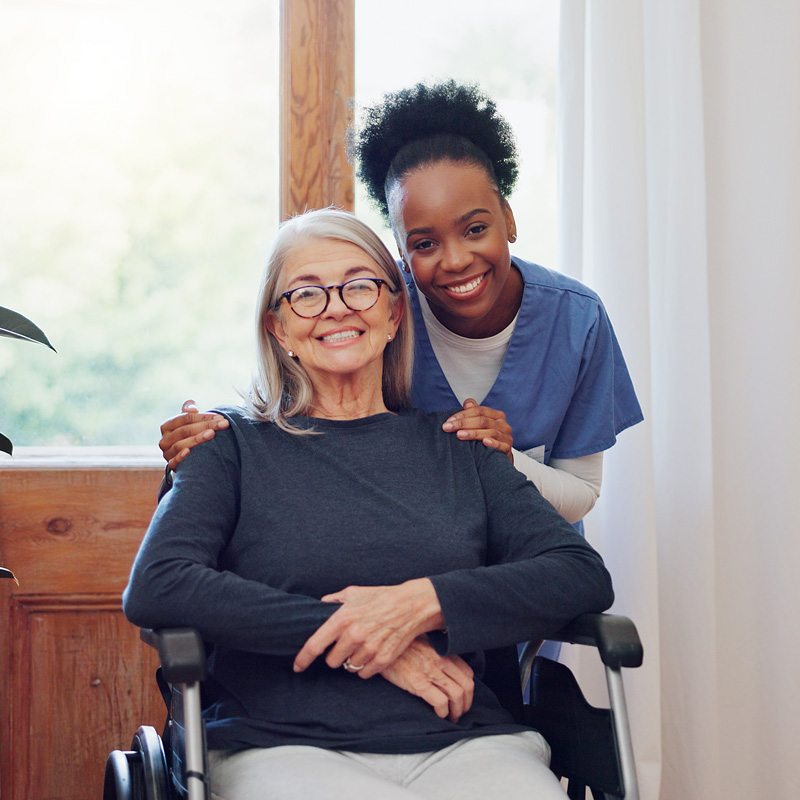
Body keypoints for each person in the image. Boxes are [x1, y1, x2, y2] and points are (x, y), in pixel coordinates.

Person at [124, 208, 614, 799]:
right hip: (283, 745)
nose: (336, 307)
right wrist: (365, 637)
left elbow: (579, 575)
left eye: (359, 285)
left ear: (392, 311)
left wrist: (421, 604)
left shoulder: (462, 446)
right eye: (306, 293)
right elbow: (161, 584)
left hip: (467, 743)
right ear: (278, 328)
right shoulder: (227, 446)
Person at [157, 81, 642, 529]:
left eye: (476, 229)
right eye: (424, 243)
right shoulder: (369, 309)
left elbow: (582, 492)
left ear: (509, 219)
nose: (455, 260)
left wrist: (502, 456)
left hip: (528, 558)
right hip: (411, 552)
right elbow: (300, 412)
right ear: (400, 252)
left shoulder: (577, 320)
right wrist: (213, 440)